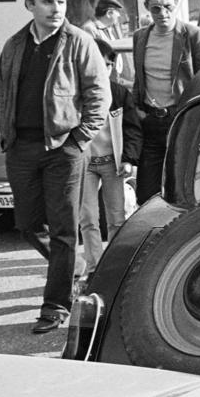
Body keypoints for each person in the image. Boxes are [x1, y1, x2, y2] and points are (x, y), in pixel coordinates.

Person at [0, 0, 108, 334]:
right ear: (30, 5)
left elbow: (98, 97)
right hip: (22, 148)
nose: (56, 8)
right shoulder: (14, 45)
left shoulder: (79, 42)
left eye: (60, 2)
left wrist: (78, 140)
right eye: (47, 2)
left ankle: (56, 306)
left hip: (64, 148)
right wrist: (7, 138)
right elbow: (3, 96)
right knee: (28, 225)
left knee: (63, 231)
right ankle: (73, 271)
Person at [131, 0, 200, 203]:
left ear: (176, 3)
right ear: (147, 7)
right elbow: (139, 79)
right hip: (150, 121)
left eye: (167, 7)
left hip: (181, 120)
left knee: (181, 190)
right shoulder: (140, 37)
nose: (162, 14)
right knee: (147, 194)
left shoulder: (194, 36)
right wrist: (138, 111)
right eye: (155, 8)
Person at [78, 38, 140, 282]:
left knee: (117, 217)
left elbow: (133, 129)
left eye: (106, 64)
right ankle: (94, 266)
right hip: (85, 164)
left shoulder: (119, 93)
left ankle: (114, 266)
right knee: (88, 218)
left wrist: (129, 158)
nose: (100, 70)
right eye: (94, 64)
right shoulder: (77, 94)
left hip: (113, 162)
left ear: (113, 67)